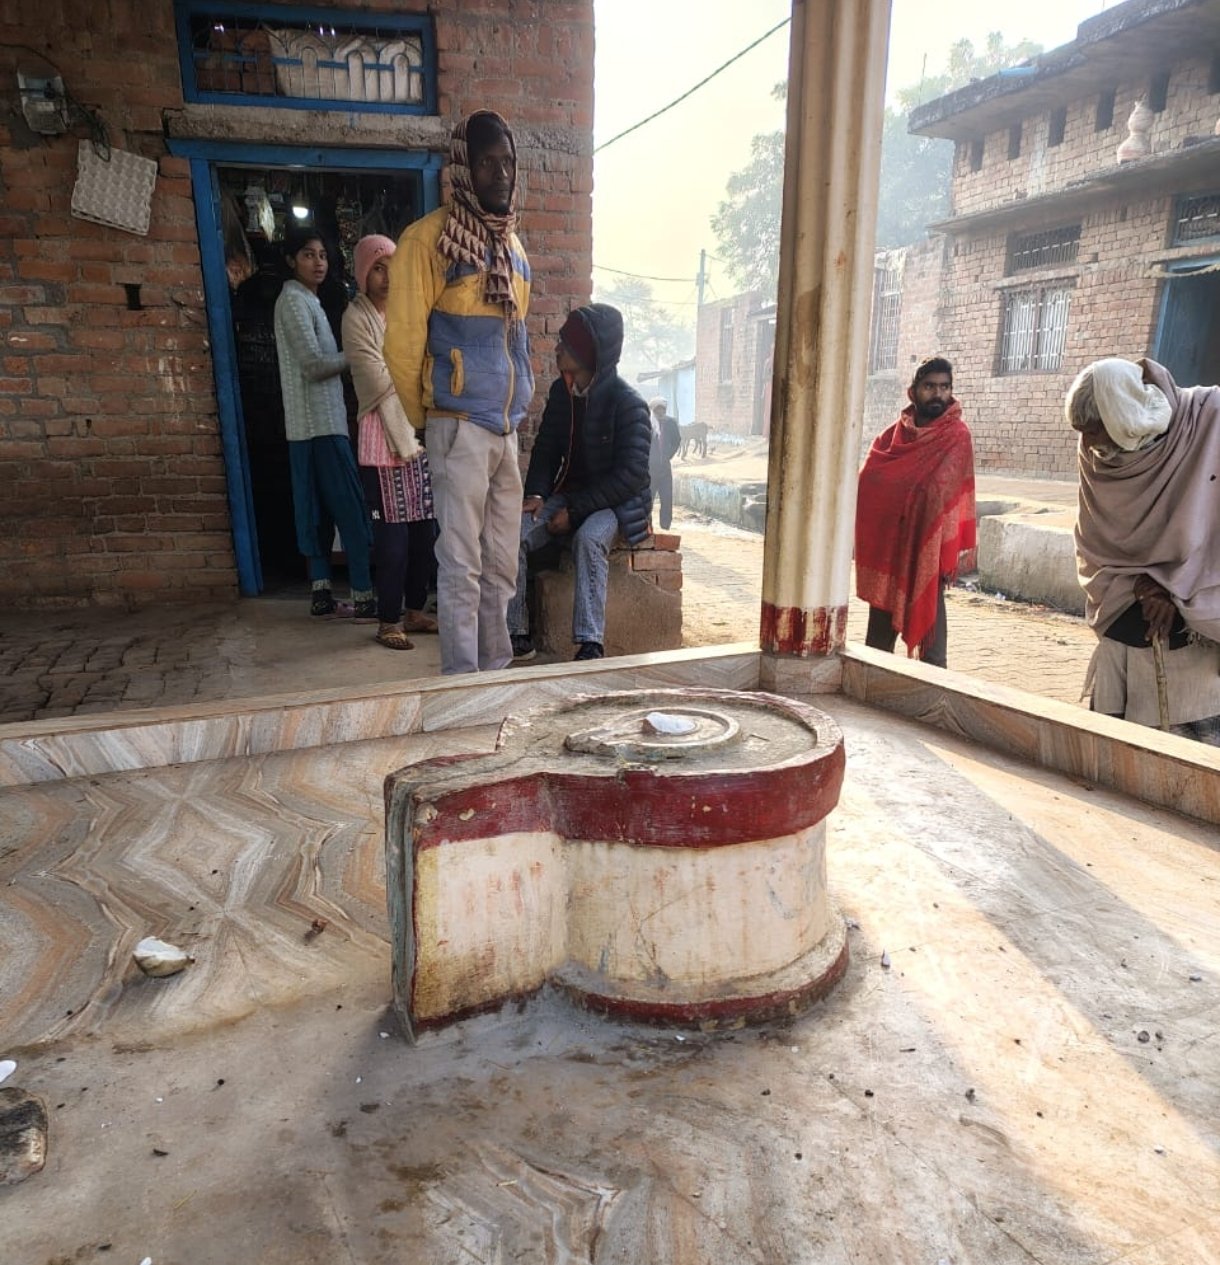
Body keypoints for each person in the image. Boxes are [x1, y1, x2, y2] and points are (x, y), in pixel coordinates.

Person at [384, 110, 533, 675]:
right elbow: (402, 345)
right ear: (464, 167)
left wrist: (517, 408)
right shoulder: (428, 241)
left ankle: (493, 677)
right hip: (457, 427)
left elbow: (517, 339)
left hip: (504, 430)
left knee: (501, 568)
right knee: (461, 565)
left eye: (508, 162)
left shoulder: (514, 249)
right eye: (487, 162)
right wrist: (430, 421)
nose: (501, 174)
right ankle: (460, 686)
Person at [1067, 356, 1220, 744]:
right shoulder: (1097, 456)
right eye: (1082, 433)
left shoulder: (1209, 423)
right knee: (1111, 753)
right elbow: (1097, 541)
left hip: (1203, 601)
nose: (1089, 444)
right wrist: (1143, 584)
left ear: (1123, 416)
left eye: (1094, 431)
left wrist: (1174, 585)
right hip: (1124, 597)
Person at [508, 304, 652, 662]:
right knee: (513, 533)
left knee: (589, 538)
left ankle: (590, 644)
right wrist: (537, 493)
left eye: (566, 343)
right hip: (570, 495)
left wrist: (573, 513)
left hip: (618, 503)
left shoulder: (630, 404)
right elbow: (546, 448)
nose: (557, 349)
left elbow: (630, 476)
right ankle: (516, 632)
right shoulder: (563, 392)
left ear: (589, 352)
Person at [342, 234, 440, 652]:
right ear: (364, 274)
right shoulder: (356, 318)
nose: (387, 276)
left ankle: (414, 611)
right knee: (392, 542)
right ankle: (388, 620)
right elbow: (376, 377)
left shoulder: (406, 314)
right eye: (378, 268)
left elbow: (428, 364)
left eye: (392, 268)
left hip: (416, 440)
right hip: (381, 444)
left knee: (423, 535)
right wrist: (413, 376)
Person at [273, 227, 375, 619]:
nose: (318, 263)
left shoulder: (306, 301)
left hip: (309, 427)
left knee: (316, 512)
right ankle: (363, 595)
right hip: (320, 425)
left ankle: (322, 593)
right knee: (349, 509)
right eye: (307, 255)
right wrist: (359, 354)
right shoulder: (294, 302)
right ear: (290, 260)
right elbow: (314, 366)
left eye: (322, 255)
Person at [854, 355, 975, 666]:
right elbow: (870, 480)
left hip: (927, 546)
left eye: (945, 387)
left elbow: (943, 491)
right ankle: (872, 681)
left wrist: (914, 500)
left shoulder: (957, 437)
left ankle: (933, 686)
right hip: (891, 548)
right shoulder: (893, 436)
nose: (938, 394)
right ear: (913, 391)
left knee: (932, 642)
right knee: (877, 643)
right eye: (929, 386)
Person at [648, 397, 682, 530]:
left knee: (667, 499)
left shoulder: (670, 423)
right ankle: (647, 526)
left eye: (663, 409)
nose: (661, 412)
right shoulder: (647, 424)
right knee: (647, 499)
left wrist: (668, 454)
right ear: (653, 410)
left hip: (665, 468)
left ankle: (665, 526)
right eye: (658, 409)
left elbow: (677, 440)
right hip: (649, 470)